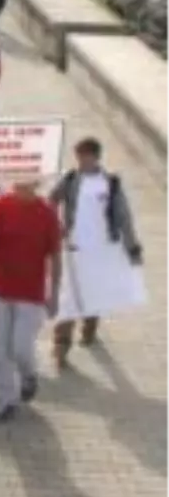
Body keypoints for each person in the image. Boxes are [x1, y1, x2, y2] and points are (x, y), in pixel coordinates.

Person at [0, 182, 61, 423]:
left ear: (36, 184)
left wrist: (55, 294)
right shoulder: (0, 205)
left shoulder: (47, 214)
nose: (20, 189)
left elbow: (56, 255)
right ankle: (4, 401)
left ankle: (29, 376)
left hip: (30, 292)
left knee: (20, 346)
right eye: (17, 184)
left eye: (27, 184)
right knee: (0, 350)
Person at [48, 137, 144, 367]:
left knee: (94, 292)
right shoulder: (70, 179)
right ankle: (61, 344)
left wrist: (132, 247)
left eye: (84, 156)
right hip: (74, 247)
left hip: (101, 248)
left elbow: (123, 216)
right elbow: (51, 199)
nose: (80, 161)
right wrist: (56, 226)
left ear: (95, 157)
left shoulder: (110, 183)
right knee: (69, 295)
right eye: (78, 156)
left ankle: (90, 327)